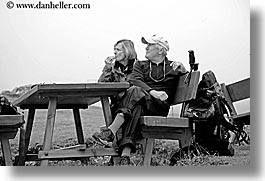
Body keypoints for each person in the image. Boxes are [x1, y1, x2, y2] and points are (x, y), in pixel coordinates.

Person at [93, 35, 188, 166]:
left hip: (158, 108)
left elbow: (189, 81)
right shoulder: (141, 64)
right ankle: (125, 156)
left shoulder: (173, 66)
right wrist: (153, 92)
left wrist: (184, 69)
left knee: (134, 92)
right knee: (136, 106)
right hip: (143, 105)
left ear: (160, 50)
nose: (146, 48)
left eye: (150, 45)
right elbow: (134, 80)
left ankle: (112, 130)